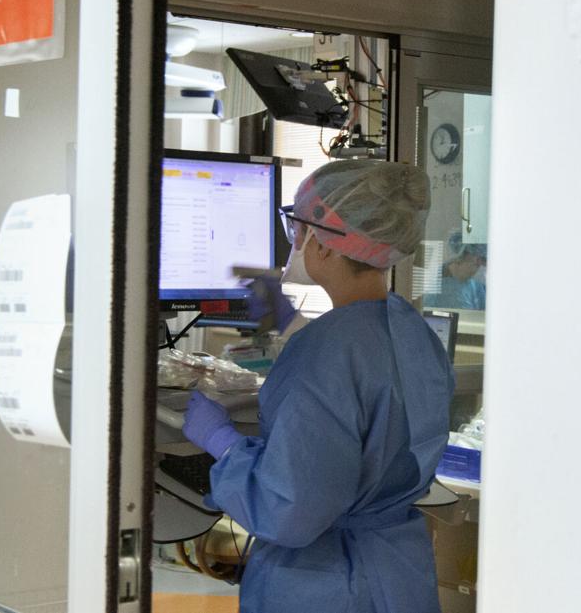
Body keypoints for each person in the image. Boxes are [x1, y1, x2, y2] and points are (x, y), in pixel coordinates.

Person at [183, 159, 455, 613]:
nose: (294, 240)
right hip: (398, 572)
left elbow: (288, 509)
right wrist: (289, 326)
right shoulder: (412, 330)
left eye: (298, 229)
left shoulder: (324, 353)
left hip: (328, 581)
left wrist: (222, 443)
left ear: (325, 243)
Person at [423, 232, 487, 311]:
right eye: (477, 260)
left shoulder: (476, 286)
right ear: (460, 257)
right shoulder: (436, 281)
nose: (480, 264)